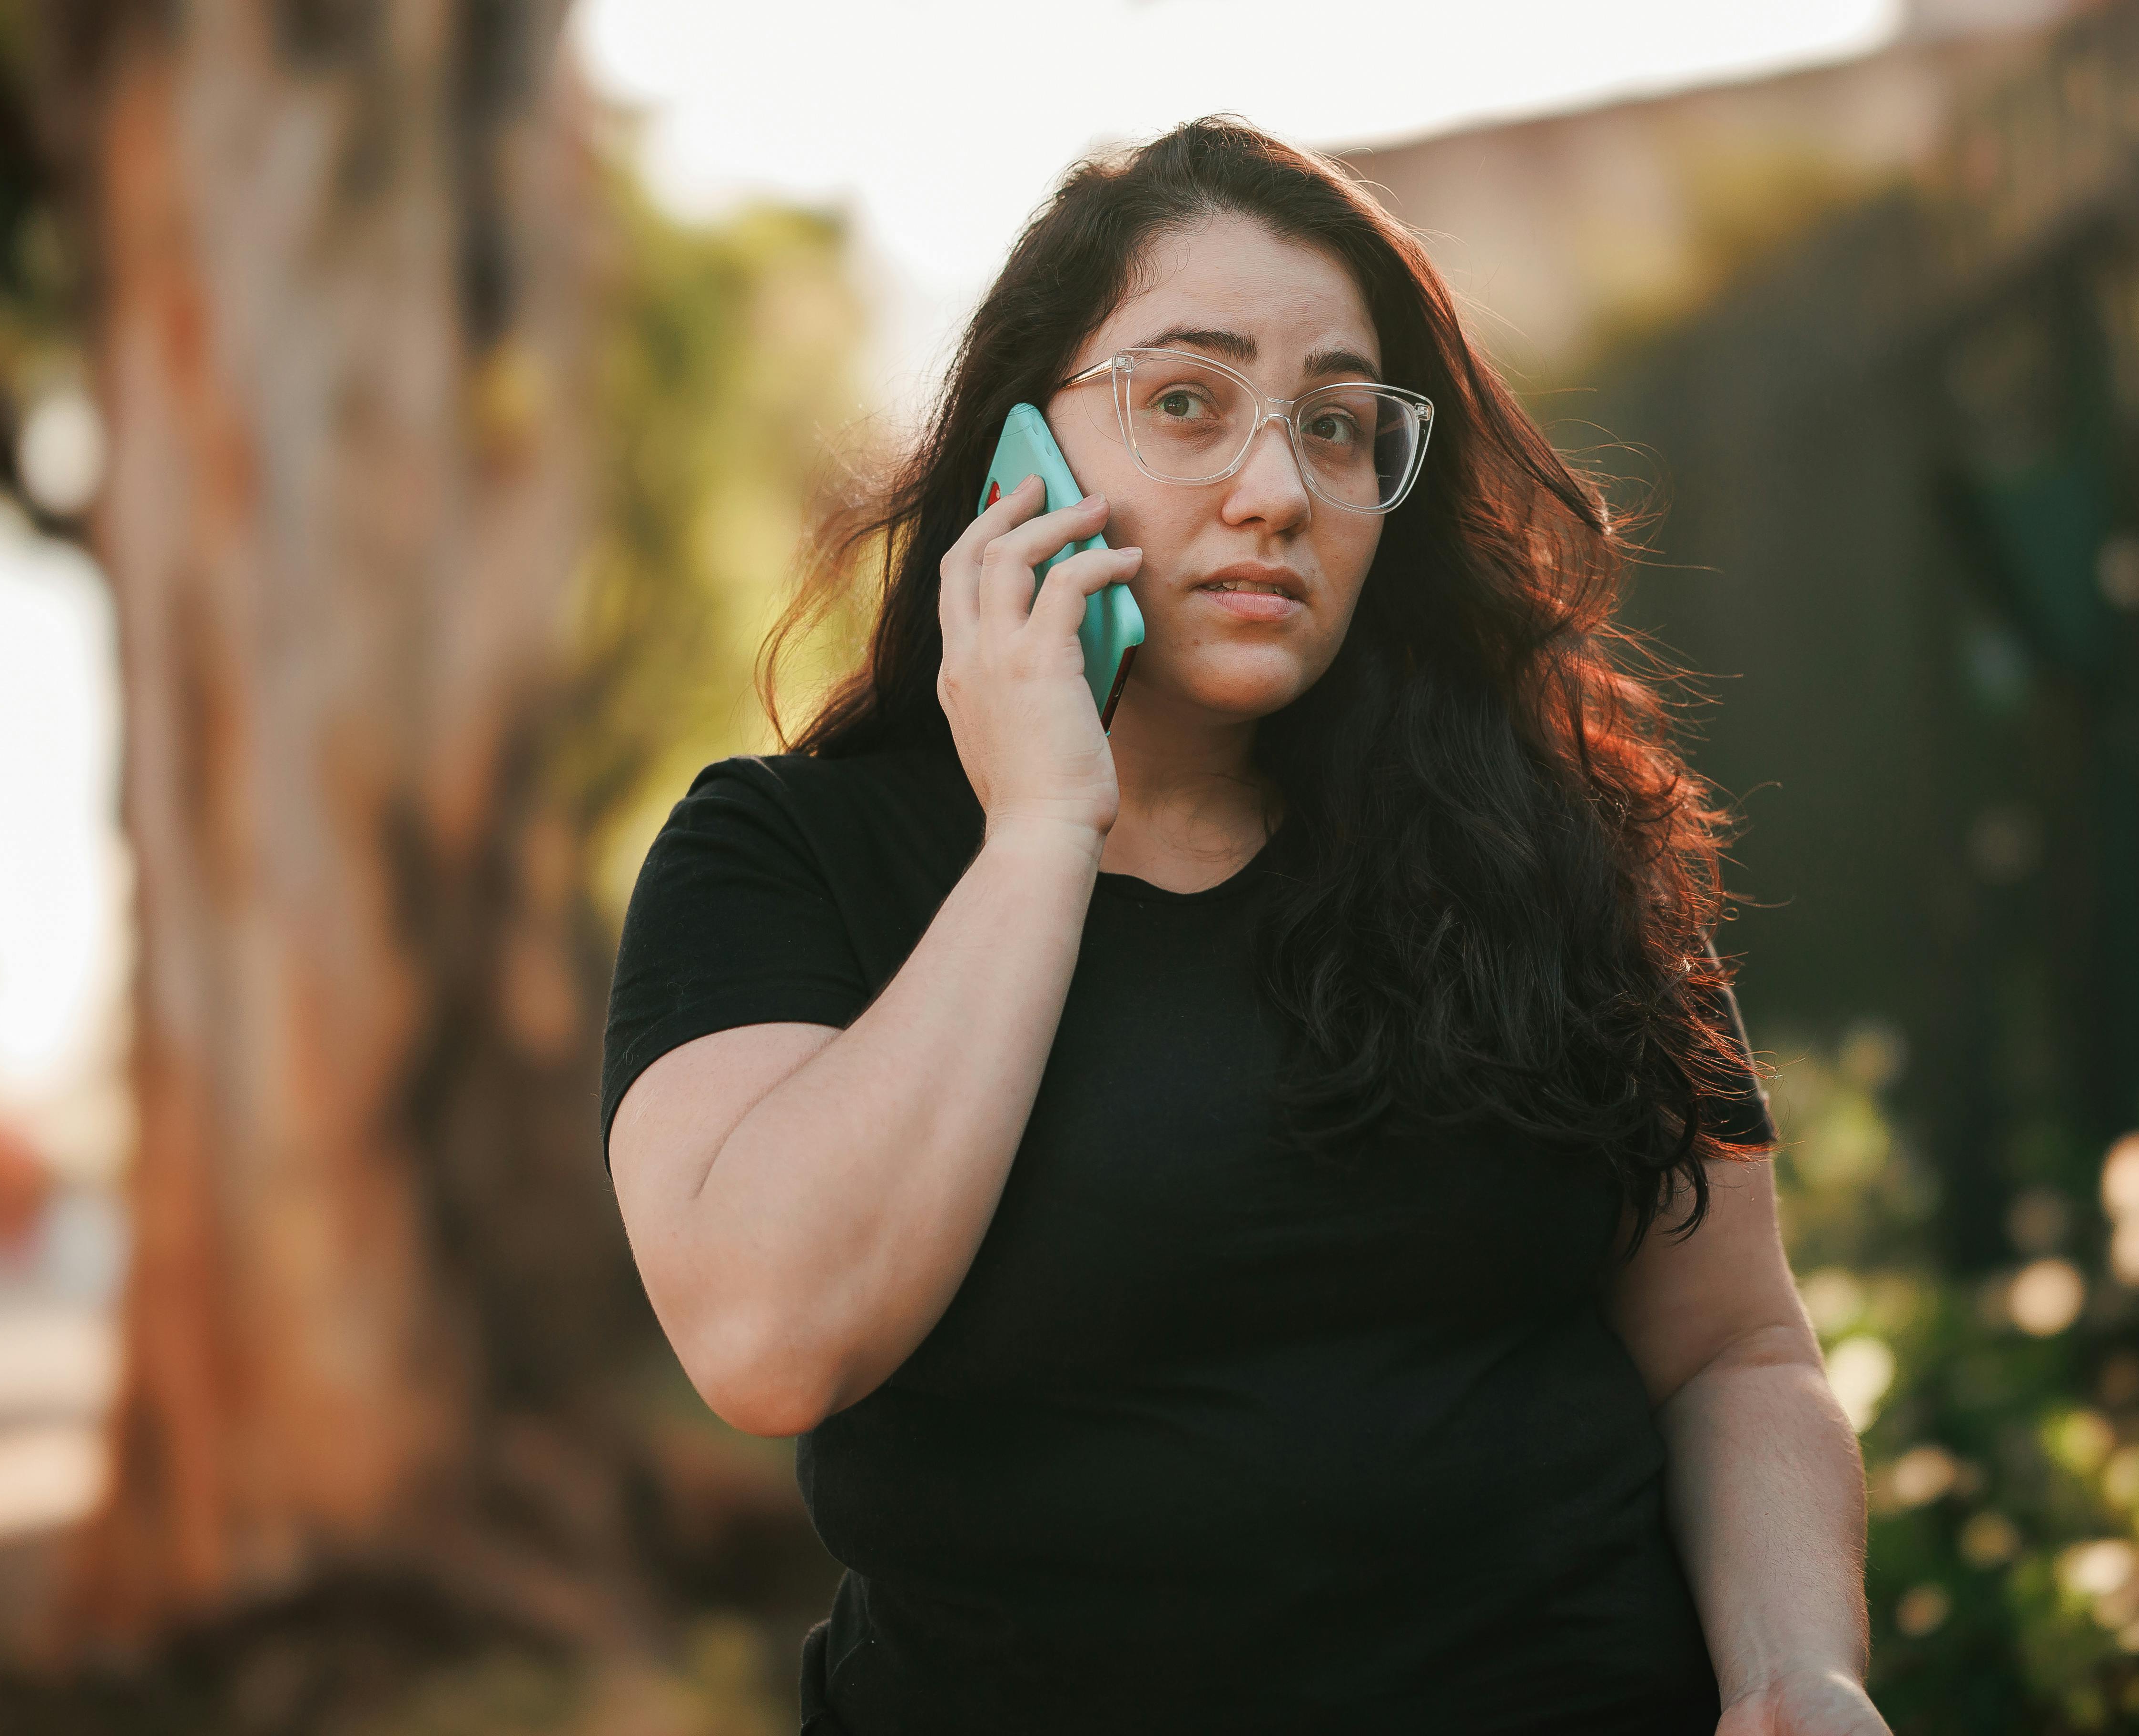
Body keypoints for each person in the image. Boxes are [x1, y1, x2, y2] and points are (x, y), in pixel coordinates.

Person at [601, 118, 1888, 1736]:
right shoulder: (786, 855)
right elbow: (771, 1337)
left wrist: (1796, 1676)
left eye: (1338, 428)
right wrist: (1042, 831)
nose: (1277, 491)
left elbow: (1737, 1356)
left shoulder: (1545, 841)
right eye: (1189, 403)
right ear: (1022, 456)